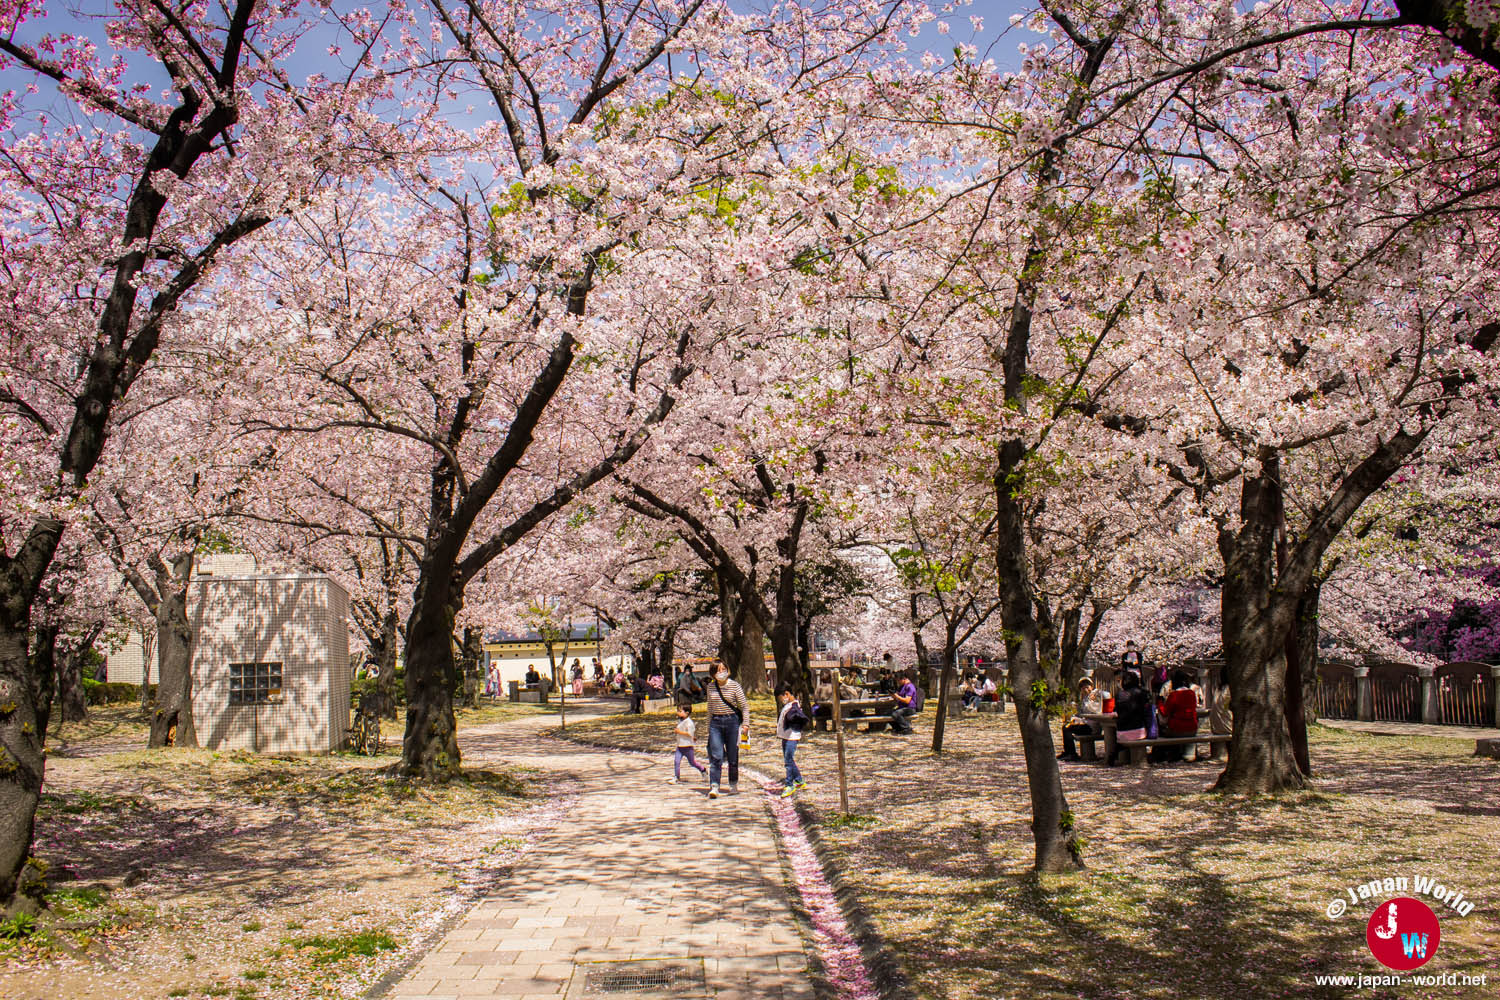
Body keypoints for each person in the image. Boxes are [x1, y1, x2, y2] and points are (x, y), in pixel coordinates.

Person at [705, 660, 748, 798]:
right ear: (713, 673)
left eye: (723, 669)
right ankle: (714, 786)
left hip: (732, 722)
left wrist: (746, 724)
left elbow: (744, 706)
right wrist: (708, 727)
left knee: (732, 756)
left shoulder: (735, 686)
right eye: (718, 670)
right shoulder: (710, 687)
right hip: (715, 723)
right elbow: (710, 708)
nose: (721, 672)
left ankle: (733, 784)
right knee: (716, 756)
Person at [1154, 669, 1200, 762]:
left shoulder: (1174, 695)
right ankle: (1189, 754)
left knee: (1162, 729)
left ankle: (1168, 754)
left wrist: (1159, 704)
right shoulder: (1191, 693)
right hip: (1192, 729)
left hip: (1176, 729)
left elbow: (1165, 712)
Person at [1111, 670, 1153, 766]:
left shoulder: (1119, 695)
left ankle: (1118, 755)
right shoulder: (1142, 693)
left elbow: (1117, 711)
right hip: (1139, 732)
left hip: (1121, 733)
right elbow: (1147, 711)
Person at [1058, 678, 1105, 761]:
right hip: (1086, 724)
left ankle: (1071, 754)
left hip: (1092, 727)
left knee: (1066, 729)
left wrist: (1097, 693)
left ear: (1091, 686)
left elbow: (1106, 695)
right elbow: (1080, 714)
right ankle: (1068, 752)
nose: (1086, 689)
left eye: (1087, 687)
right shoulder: (1084, 699)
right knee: (1066, 727)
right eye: (1083, 688)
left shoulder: (1096, 695)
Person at [775, 683, 809, 797]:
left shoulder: (793, 706)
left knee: (788, 761)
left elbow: (795, 715)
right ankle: (799, 780)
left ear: (787, 694)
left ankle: (789, 784)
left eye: (781, 698)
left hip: (791, 737)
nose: (781, 701)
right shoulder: (788, 705)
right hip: (785, 737)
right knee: (789, 759)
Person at [667, 703, 707, 784]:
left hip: (687, 746)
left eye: (680, 711)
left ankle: (703, 770)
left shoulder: (689, 723)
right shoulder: (680, 720)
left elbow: (689, 733)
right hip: (680, 746)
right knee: (676, 761)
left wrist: (679, 732)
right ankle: (676, 777)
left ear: (687, 712)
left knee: (692, 763)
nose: (678, 712)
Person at [890, 671, 918, 735]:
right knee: (887, 713)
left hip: (909, 708)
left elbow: (907, 701)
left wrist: (897, 696)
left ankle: (906, 728)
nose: (898, 682)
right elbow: (898, 696)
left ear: (904, 678)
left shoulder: (910, 687)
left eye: (898, 680)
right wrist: (893, 695)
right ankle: (898, 728)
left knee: (896, 714)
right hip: (902, 707)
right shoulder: (902, 686)